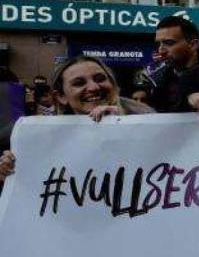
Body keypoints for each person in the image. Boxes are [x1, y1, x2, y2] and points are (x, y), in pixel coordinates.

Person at [1, 56, 154, 185]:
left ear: (113, 85)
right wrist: (11, 167)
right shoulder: (43, 137)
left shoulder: (148, 119)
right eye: (79, 83)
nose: (93, 87)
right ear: (61, 96)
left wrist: (122, 125)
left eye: (100, 79)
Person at [148, 15, 199, 112]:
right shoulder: (158, 79)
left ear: (193, 45)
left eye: (169, 43)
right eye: (158, 44)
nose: (161, 50)